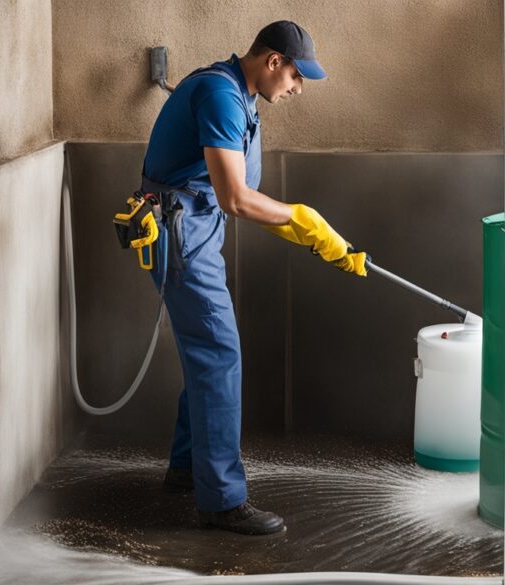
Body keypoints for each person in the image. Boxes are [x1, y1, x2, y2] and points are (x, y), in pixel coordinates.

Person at [140, 20, 366, 535]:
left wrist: (311, 235)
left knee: (207, 351)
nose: (297, 87)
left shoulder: (240, 94)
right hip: (180, 234)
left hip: (195, 229)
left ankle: (186, 469)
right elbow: (235, 197)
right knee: (219, 352)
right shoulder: (221, 96)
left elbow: (234, 197)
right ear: (271, 62)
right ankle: (220, 500)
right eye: (295, 75)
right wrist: (304, 219)